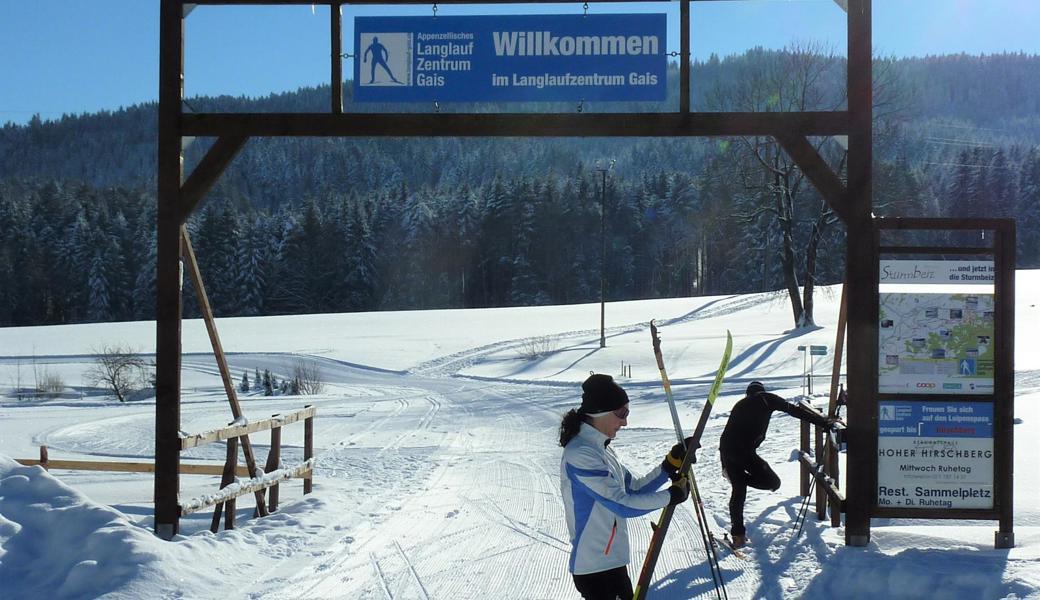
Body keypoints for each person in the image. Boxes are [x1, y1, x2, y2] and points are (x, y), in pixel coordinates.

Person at [559, 373, 695, 600]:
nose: (625, 421)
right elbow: (622, 505)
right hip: (593, 568)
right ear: (600, 412)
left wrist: (668, 465)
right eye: (621, 413)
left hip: (614, 562)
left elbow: (634, 489)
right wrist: (672, 496)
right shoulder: (580, 454)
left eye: (627, 413)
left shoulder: (602, 450)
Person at [719, 381, 834, 548]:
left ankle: (738, 536)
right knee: (773, 483)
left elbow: (725, 436)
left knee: (738, 491)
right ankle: (738, 534)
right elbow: (794, 410)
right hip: (744, 452)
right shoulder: (766, 398)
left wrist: (724, 465)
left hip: (729, 452)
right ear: (761, 391)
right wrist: (822, 422)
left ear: (748, 393)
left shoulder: (740, 404)